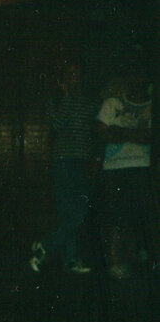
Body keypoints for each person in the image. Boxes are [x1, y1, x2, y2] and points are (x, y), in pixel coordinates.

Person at [29, 61, 99, 275]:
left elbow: (92, 130)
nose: (74, 77)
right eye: (70, 74)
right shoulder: (56, 101)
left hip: (82, 159)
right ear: (63, 79)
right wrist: (66, 96)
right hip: (64, 159)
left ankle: (51, 249)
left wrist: (94, 157)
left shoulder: (90, 100)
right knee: (71, 211)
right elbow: (57, 124)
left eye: (77, 74)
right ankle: (63, 255)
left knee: (76, 211)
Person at [95, 57, 153, 279]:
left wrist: (119, 132)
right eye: (132, 75)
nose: (136, 80)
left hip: (143, 167)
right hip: (114, 168)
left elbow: (151, 138)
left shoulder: (152, 105)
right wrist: (136, 135)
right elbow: (101, 132)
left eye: (141, 75)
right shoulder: (112, 104)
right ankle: (115, 261)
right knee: (115, 216)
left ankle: (132, 257)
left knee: (138, 216)